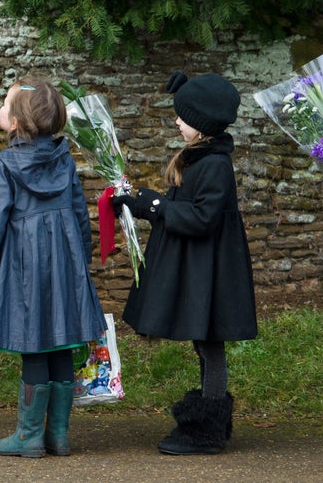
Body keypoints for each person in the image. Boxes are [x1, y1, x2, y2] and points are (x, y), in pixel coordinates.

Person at [110, 72, 257, 456]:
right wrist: (138, 203)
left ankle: (206, 428)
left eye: (183, 117)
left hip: (212, 272)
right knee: (204, 343)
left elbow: (202, 218)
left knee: (210, 344)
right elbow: (181, 211)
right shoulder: (200, 159)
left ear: (203, 124)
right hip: (200, 268)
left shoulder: (215, 166)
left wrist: (156, 204)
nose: (177, 121)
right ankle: (208, 420)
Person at [0, 78, 107, 458]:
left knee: (34, 343)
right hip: (64, 263)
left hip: (24, 267)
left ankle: (29, 437)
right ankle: (58, 435)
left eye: (4, 105)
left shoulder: (6, 163)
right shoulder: (65, 160)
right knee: (61, 341)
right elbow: (79, 215)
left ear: (16, 123)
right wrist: (82, 261)